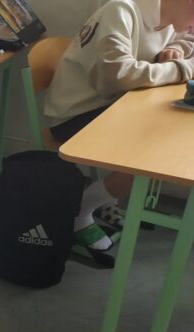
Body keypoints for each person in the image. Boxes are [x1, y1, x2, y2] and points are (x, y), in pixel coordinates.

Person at [44, 0, 194, 252]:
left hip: (118, 105)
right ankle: (80, 210)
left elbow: (190, 38)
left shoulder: (173, 17)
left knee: (169, 141)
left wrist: (176, 48)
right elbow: (117, 77)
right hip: (76, 114)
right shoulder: (122, 11)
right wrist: (183, 68)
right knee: (155, 157)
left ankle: (105, 198)